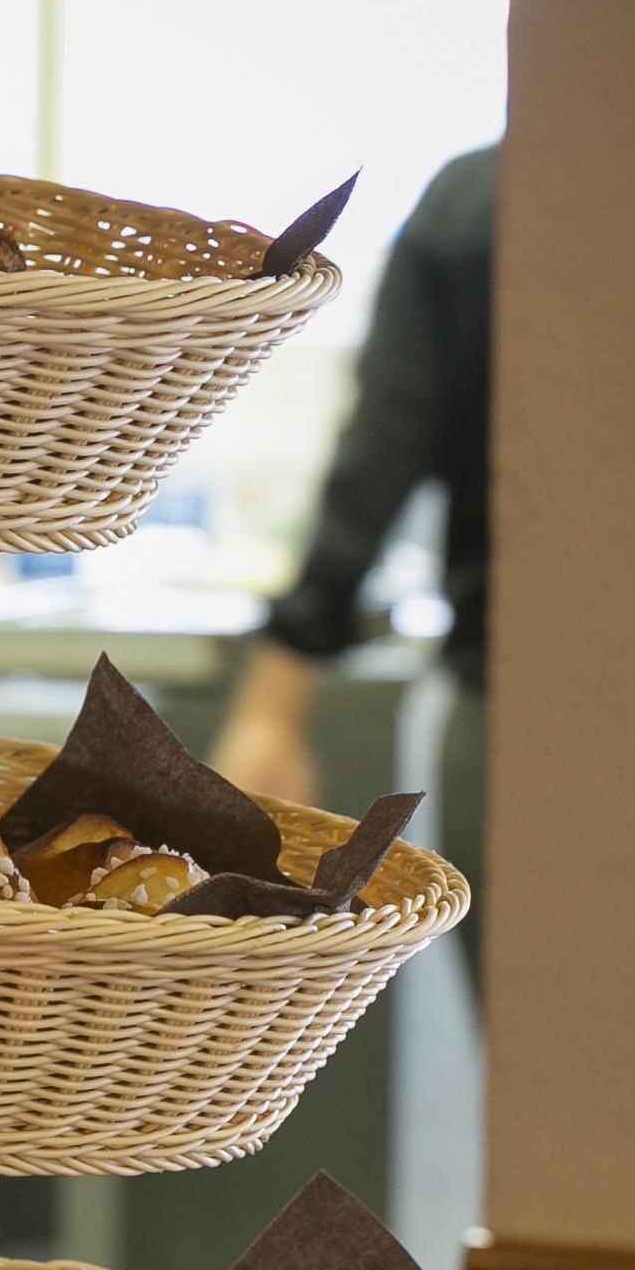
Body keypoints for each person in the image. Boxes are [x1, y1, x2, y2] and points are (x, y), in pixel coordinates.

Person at [212, 144, 496, 981]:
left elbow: (384, 448)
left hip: (516, 707)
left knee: (537, 1073)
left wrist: (273, 706)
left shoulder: (475, 205)